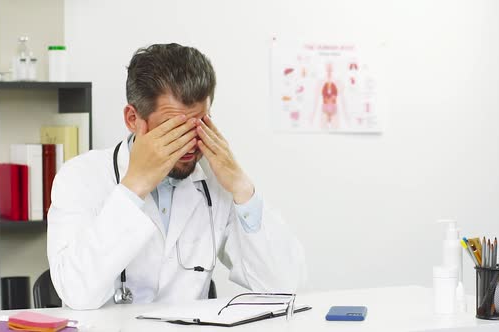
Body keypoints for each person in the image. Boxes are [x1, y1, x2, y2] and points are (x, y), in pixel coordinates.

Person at [47, 43, 306, 310]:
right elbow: (76, 293)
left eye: (199, 125)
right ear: (132, 118)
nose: (189, 144)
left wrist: (241, 186)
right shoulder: (80, 177)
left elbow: (282, 287)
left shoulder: (215, 182)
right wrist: (133, 188)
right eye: (174, 129)